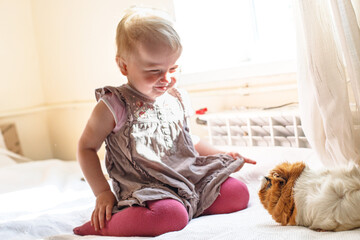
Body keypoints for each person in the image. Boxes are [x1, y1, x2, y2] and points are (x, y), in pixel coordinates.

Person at [73, 7, 256, 237]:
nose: (166, 79)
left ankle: (189, 204)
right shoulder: (114, 105)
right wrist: (102, 192)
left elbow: (188, 141)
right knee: (170, 216)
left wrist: (222, 152)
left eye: (173, 68)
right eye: (154, 70)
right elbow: (86, 147)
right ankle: (105, 227)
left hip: (186, 176)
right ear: (124, 66)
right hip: (148, 186)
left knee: (237, 193)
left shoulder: (175, 97)